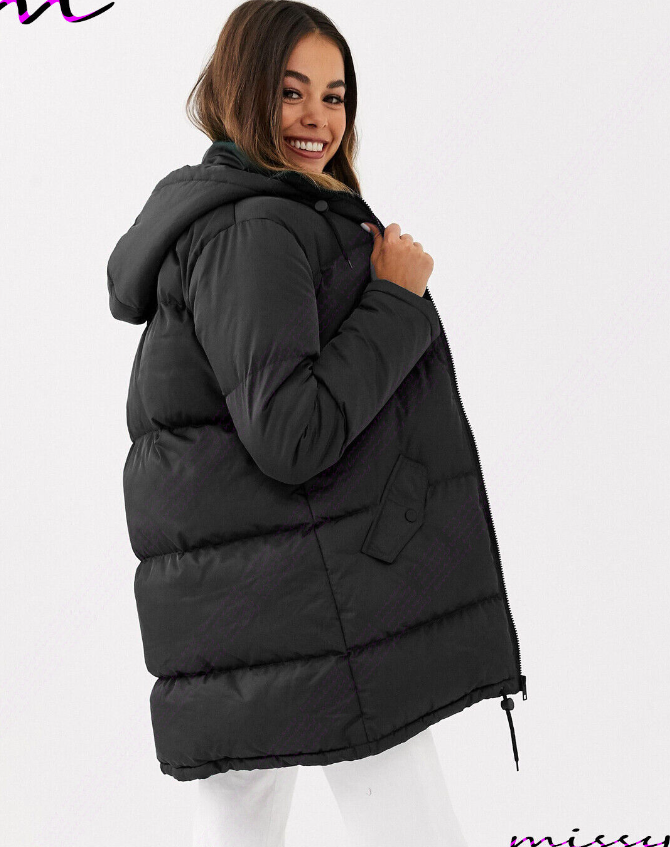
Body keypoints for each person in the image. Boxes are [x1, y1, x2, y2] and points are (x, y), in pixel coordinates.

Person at [106, 1, 526, 844]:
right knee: (410, 822)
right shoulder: (254, 227)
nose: (317, 119)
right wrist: (395, 300)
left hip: (262, 603)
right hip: (316, 607)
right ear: (241, 91)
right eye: (291, 91)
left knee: (241, 821)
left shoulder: (254, 213)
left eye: (334, 97)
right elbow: (290, 433)